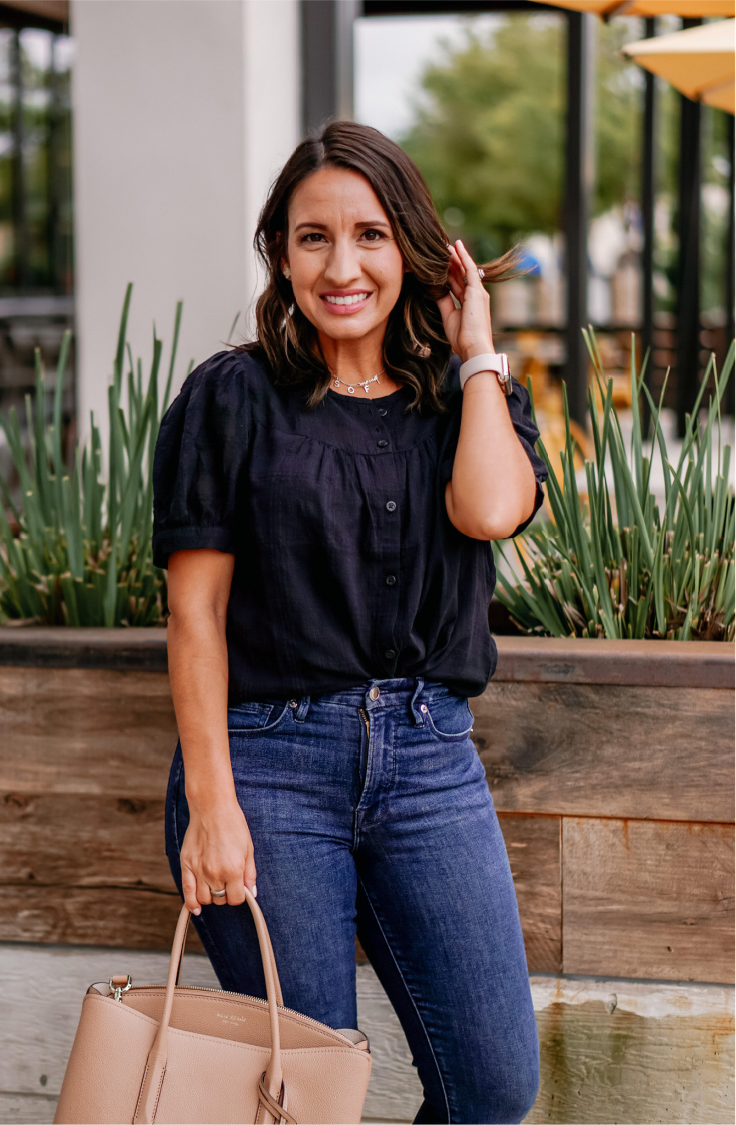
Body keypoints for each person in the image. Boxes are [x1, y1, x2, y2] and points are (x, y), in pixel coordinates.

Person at [152, 120, 548, 1125]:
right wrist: (211, 805)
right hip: (269, 767)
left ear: (411, 249)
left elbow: (490, 511)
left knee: (495, 1089)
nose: (343, 266)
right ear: (281, 255)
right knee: (307, 1095)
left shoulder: (467, 398)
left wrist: (478, 353)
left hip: (430, 761)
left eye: (370, 234)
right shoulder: (231, 398)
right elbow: (195, 612)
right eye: (313, 238)